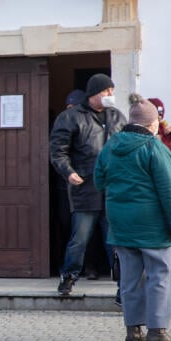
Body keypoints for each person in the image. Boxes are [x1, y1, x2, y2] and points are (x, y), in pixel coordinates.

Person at [95, 94, 171, 341]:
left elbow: (98, 181)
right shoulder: (155, 148)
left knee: (130, 277)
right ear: (152, 124)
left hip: (120, 222)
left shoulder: (111, 146)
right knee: (159, 274)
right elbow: (169, 191)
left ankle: (133, 330)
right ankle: (157, 331)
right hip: (152, 225)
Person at [50, 73, 127, 296]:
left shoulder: (117, 117)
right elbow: (58, 151)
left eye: (112, 91)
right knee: (80, 238)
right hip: (85, 186)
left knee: (114, 240)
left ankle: (124, 285)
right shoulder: (71, 117)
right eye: (106, 91)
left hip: (112, 188)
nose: (111, 95)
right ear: (94, 94)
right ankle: (69, 277)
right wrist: (69, 173)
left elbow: (126, 146)